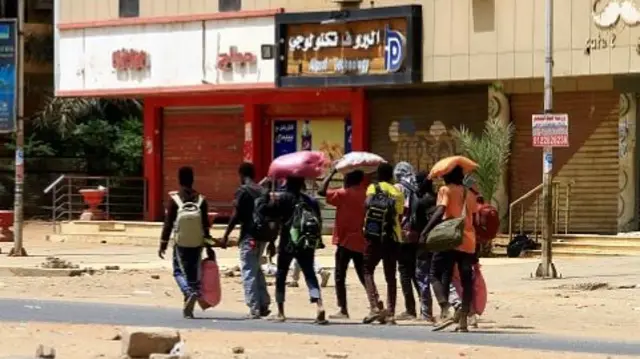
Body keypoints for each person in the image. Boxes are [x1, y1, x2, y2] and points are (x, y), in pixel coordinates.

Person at [422, 165, 478, 332]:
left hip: (450, 238)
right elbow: (472, 216)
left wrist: (426, 231)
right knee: (466, 280)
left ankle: (446, 308)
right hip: (468, 240)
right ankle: (463, 321)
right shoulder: (470, 194)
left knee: (434, 274)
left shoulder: (445, 190)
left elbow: (440, 211)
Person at [267, 176, 327, 324]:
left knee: (281, 274)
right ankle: (319, 305)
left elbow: (273, 218)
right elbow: (318, 221)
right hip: (306, 242)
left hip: (287, 242)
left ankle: (280, 312)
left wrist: (271, 242)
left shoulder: (283, 199)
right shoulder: (311, 201)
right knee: (310, 274)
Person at [159, 166, 213, 319]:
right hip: (197, 243)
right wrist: (208, 246)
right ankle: (188, 309)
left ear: (179, 180)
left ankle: (189, 293)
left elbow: (168, 224)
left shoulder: (175, 199)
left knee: (178, 271)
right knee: (192, 273)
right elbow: (205, 227)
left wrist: (163, 243)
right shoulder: (201, 200)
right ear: (192, 179)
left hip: (180, 243)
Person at [221, 163, 271, 319]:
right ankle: (264, 304)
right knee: (256, 269)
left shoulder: (242, 191)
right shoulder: (263, 191)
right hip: (262, 237)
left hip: (248, 236)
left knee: (248, 271)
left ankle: (254, 308)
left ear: (241, 175)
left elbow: (236, 216)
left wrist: (226, 235)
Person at [317, 167, 367, 319]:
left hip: (344, 240)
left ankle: (343, 309)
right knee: (364, 275)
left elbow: (321, 191)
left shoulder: (343, 194)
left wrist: (332, 173)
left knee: (340, 275)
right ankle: (376, 304)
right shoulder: (365, 194)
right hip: (360, 240)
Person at [362, 162, 405, 324]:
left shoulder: (373, 188)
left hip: (374, 237)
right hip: (393, 237)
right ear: (391, 175)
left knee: (367, 269)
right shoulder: (397, 192)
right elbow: (400, 213)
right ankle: (391, 312)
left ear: (378, 175)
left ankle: (374, 306)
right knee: (390, 275)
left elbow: (366, 205)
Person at [393, 162, 421, 321]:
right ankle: (425, 307)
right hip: (416, 233)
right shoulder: (415, 186)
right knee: (416, 271)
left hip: (403, 233)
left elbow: (400, 210)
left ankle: (410, 310)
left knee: (404, 271)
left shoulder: (399, 187)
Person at [412, 172, 438, 323]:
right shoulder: (437, 199)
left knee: (422, 277)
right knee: (438, 276)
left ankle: (427, 313)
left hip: (423, 244)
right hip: (438, 243)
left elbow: (415, 223)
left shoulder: (420, 202)